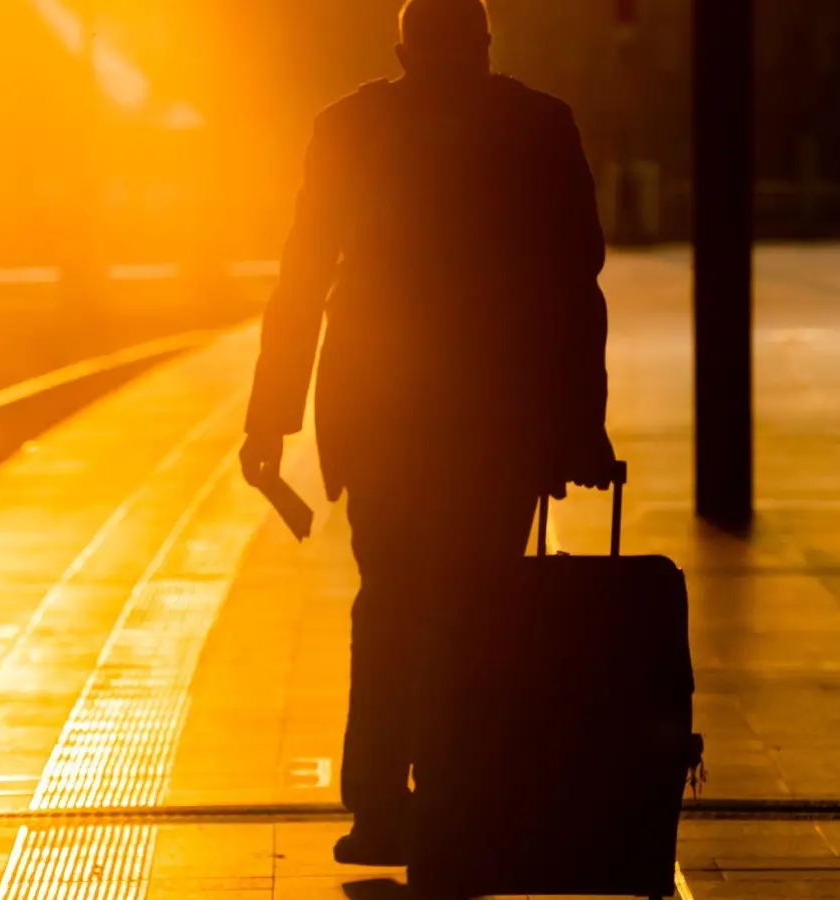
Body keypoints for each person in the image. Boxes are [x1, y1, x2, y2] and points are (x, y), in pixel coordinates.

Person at [239, 0, 615, 866]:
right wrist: (578, 425)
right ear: (486, 46)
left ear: (401, 51)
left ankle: (379, 803)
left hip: (379, 407)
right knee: (479, 602)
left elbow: (301, 279)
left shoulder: (349, 126)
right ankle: (459, 794)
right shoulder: (537, 122)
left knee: (392, 598)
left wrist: (271, 420)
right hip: (499, 410)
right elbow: (574, 284)